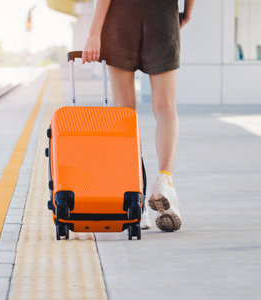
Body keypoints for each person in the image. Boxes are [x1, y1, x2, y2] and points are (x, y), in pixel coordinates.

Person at [82, 0, 195, 232]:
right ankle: (164, 182)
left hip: (120, 18)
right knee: (166, 109)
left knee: (124, 113)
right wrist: (187, 13)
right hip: (162, 15)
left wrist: (94, 33)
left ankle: (134, 200)